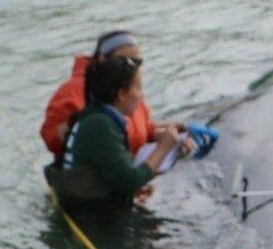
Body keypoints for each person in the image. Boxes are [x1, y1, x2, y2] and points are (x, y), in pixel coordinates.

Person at [38, 29, 218, 162]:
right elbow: (51, 137)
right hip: (89, 187)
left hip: (125, 179)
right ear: (103, 59)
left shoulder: (129, 86)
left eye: (137, 61)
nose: (133, 67)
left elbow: (141, 129)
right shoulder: (73, 92)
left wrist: (176, 133)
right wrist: (81, 132)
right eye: (126, 61)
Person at [44, 57, 179, 208]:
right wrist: (163, 148)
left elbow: (116, 175)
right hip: (89, 217)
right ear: (121, 94)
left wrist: (131, 191)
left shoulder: (101, 118)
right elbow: (130, 180)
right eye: (138, 89)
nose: (141, 96)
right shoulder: (100, 125)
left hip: (93, 208)